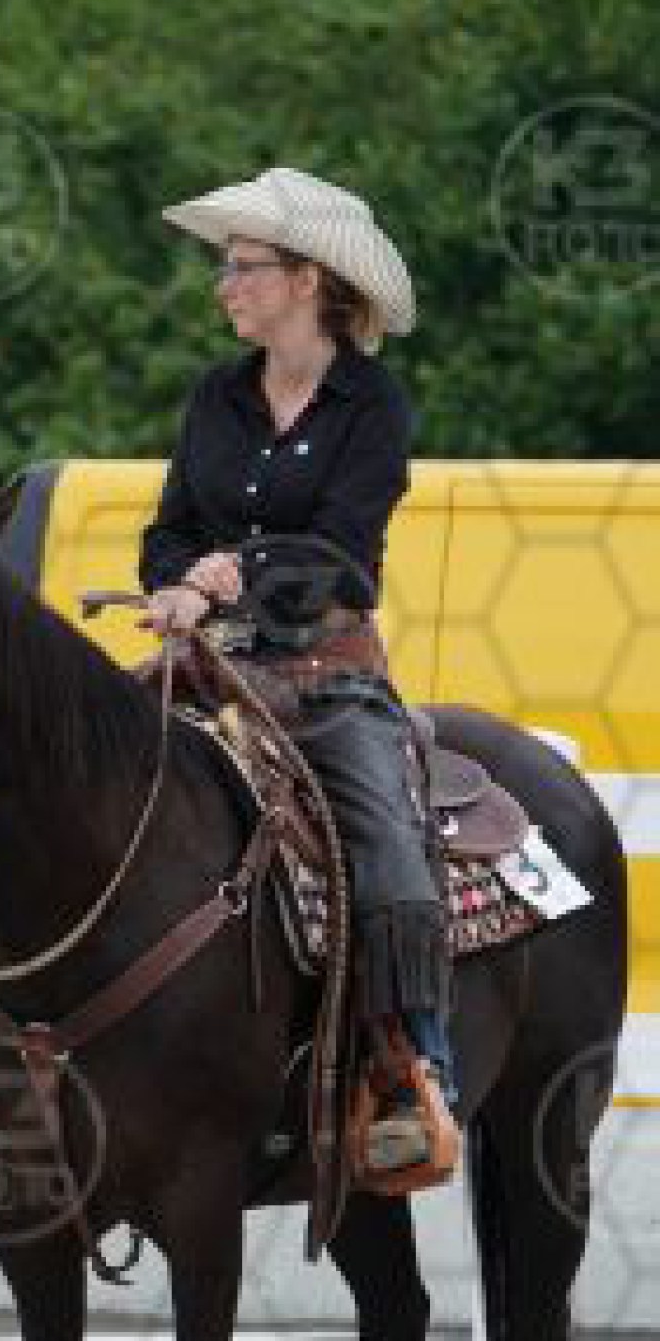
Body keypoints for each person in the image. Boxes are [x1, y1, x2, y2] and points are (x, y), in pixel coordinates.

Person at [139, 163, 456, 1180]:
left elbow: (346, 557)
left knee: (384, 842)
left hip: (323, 670)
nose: (223, 284)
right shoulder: (215, 396)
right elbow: (167, 530)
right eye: (225, 266)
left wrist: (234, 574)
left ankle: (404, 1069)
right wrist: (177, 581)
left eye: (242, 266)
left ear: (307, 278)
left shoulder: (372, 404)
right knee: (56, 761)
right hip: (207, 661)